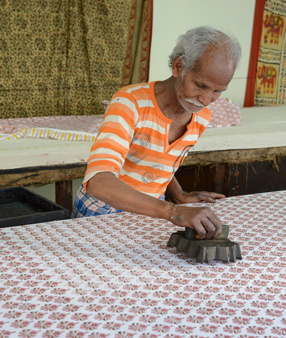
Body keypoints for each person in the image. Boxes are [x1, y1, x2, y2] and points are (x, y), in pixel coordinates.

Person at [73, 26, 241, 240]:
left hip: (151, 215)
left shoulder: (200, 115)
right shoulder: (130, 103)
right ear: (179, 66)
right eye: (200, 85)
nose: (206, 100)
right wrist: (172, 211)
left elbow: (162, 159)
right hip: (102, 213)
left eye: (218, 91)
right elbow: (98, 182)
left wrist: (178, 195)